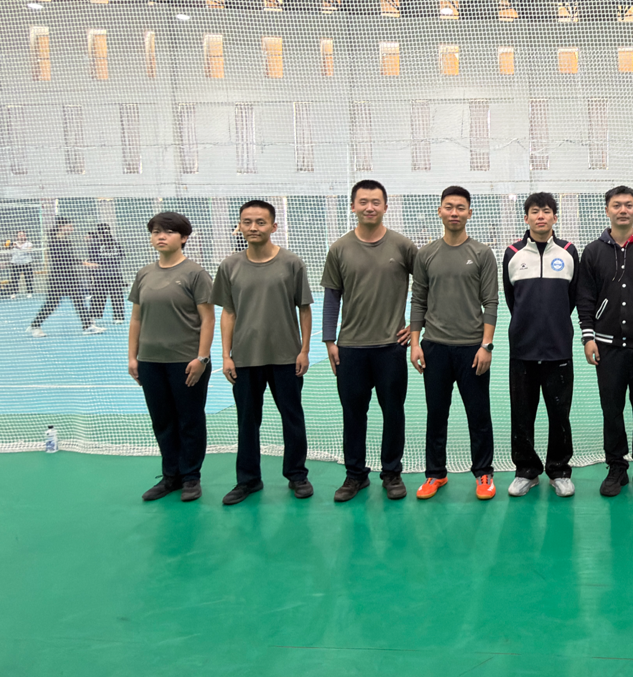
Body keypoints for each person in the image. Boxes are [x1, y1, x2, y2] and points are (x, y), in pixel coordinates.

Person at [213, 200, 315, 506]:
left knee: (292, 418)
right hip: (245, 359)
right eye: (247, 222)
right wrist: (226, 355)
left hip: (286, 358)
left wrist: (304, 350)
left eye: (260, 222)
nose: (253, 227)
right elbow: (228, 312)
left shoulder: (292, 263)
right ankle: (248, 480)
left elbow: (304, 309)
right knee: (247, 421)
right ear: (239, 226)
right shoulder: (229, 266)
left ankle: (297, 474)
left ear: (273, 226)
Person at [322, 179, 418, 503]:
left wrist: (416, 325)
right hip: (350, 349)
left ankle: (392, 473)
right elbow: (332, 297)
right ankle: (355, 475)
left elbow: (428, 285)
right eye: (363, 201)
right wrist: (329, 340)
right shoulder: (339, 249)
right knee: (353, 414)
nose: (369, 207)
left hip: (391, 348)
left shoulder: (403, 246)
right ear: (353, 206)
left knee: (393, 412)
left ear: (385, 206)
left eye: (376, 202)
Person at [577, 185, 633, 498]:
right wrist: (588, 337)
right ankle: (616, 468)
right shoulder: (592, 252)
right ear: (607, 210)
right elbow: (585, 298)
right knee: (612, 411)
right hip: (607, 348)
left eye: (628, 205)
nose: (623, 210)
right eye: (616, 205)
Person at [410, 186, 499, 501]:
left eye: (460, 207)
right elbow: (418, 300)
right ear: (440, 211)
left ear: (469, 213)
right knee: (436, 414)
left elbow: (491, 302)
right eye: (449, 207)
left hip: (472, 349)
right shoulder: (426, 254)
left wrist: (486, 346)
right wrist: (415, 343)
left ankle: (484, 472)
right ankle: (436, 474)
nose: (454, 213)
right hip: (434, 347)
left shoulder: (482, 254)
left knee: (479, 414)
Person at [127, 212, 215, 502]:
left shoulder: (195, 274)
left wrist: (202, 358)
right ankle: (170, 477)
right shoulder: (144, 274)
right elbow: (136, 318)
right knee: (162, 421)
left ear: (184, 237)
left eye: (168, 232)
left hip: (186, 362)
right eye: (155, 232)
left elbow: (208, 319)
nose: (160, 237)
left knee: (189, 420)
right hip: (150, 362)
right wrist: (133, 357)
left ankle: (191, 478)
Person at [502, 191, 579, 498]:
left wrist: (553, 324)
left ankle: (559, 471)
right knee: (522, 414)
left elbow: (572, 299)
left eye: (546, 211)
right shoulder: (512, 253)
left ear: (555, 217)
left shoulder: (569, 251)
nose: (541, 216)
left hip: (558, 349)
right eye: (535, 211)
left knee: (560, 414)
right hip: (522, 350)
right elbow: (512, 299)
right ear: (526, 218)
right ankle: (526, 471)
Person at [27, 218, 104, 337]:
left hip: (70, 276)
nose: (72, 229)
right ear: (61, 227)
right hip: (58, 278)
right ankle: (35, 326)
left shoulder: (66, 241)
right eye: (69, 226)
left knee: (79, 301)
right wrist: (86, 263)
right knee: (52, 303)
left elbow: (70, 258)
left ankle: (87, 326)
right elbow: (65, 259)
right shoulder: (54, 242)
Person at [87, 223, 127, 323]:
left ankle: (95, 315)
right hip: (114, 274)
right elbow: (122, 255)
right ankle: (118, 317)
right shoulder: (115, 242)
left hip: (102, 274)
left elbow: (92, 258)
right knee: (116, 295)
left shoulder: (96, 243)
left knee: (100, 294)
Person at [9, 230, 35, 298]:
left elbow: (28, 250)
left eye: (23, 235)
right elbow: (7, 249)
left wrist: (19, 247)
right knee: (14, 279)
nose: (21, 236)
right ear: (17, 236)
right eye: (20, 235)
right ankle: (13, 293)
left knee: (28, 278)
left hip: (26, 263)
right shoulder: (13, 243)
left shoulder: (28, 243)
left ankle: (29, 293)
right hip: (15, 263)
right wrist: (11, 245)